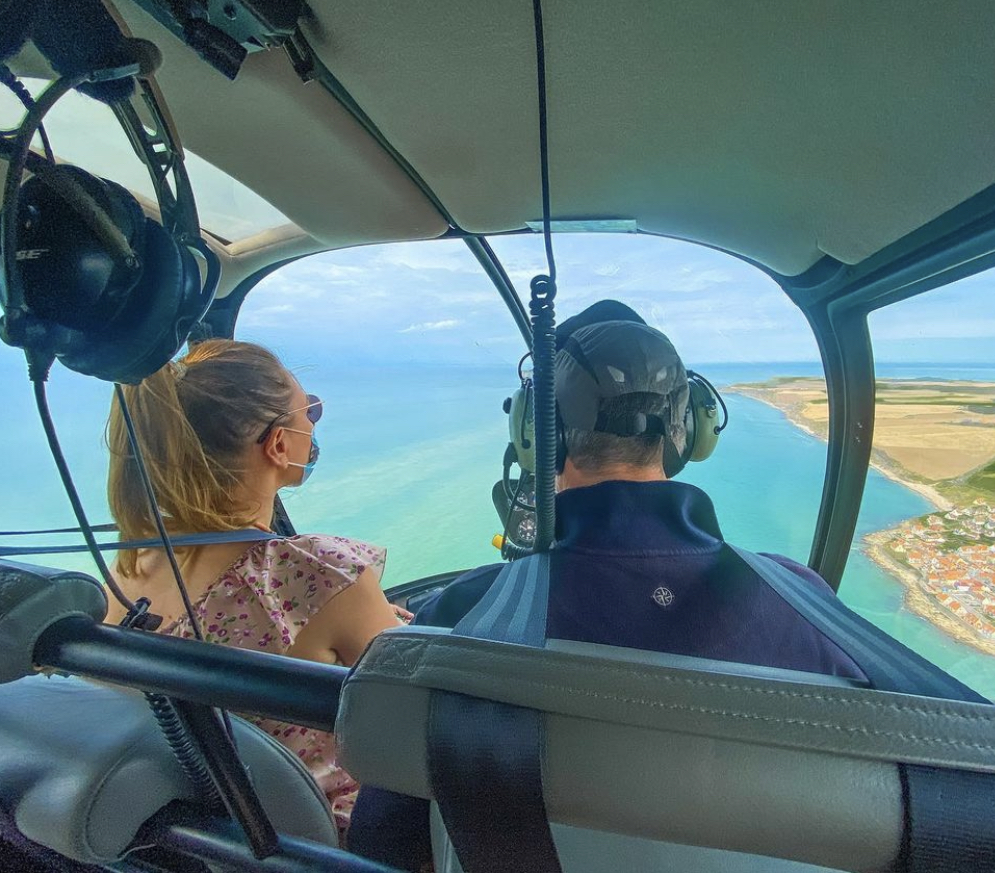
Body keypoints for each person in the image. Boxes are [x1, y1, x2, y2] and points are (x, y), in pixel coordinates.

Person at [347, 301, 864, 867]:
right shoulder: (808, 604)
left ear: (534, 434)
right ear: (689, 432)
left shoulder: (467, 615)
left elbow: (383, 844)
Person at [104, 338, 407, 838]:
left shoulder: (126, 572)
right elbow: (413, 718)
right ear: (278, 443)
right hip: (330, 835)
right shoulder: (318, 574)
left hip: (217, 831)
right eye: (310, 409)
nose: (313, 418)